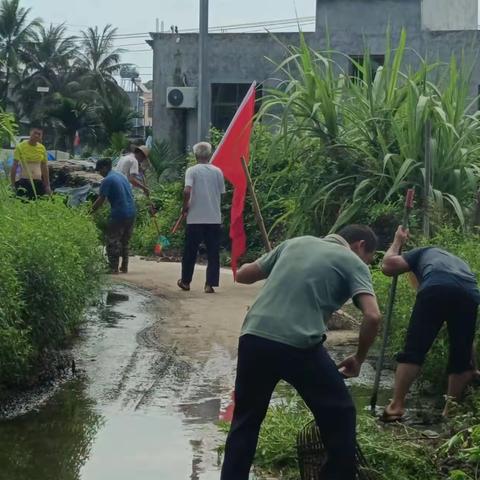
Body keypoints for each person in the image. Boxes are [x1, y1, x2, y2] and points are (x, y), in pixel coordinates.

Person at [221, 225, 382, 480]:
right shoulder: (353, 261)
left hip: (253, 337)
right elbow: (373, 316)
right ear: (360, 245)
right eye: (368, 258)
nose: (366, 263)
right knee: (340, 413)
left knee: (246, 421)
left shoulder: (295, 242)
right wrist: (359, 358)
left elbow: (243, 275)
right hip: (298, 345)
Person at [381, 226, 480, 420]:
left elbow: (388, 266)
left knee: (414, 349)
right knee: (461, 355)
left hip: (436, 287)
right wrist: (473, 366)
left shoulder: (422, 252)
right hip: (470, 293)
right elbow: (467, 343)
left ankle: (396, 406)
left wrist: (397, 241)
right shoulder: (457, 263)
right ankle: (450, 412)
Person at [177, 142, 225, 294]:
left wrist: (185, 206)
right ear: (209, 155)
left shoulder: (192, 171)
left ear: (196, 155)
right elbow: (222, 193)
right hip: (213, 217)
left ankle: (185, 281)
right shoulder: (218, 171)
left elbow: (186, 191)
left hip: (195, 218)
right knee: (213, 252)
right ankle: (209, 284)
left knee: (190, 250)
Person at [91, 158, 136, 274]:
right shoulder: (121, 176)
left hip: (119, 213)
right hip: (131, 212)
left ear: (105, 167)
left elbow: (101, 199)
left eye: (100, 170)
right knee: (125, 240)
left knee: (113, 240)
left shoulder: (108, 180)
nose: (100, 173)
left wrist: (90, 211)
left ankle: (113, 267)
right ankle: (124, 266)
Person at [10, 125, 52, 199]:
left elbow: (44, 167)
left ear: (41, 136)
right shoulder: (20, 146)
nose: (36, 136)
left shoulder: (42, 148)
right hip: (24, 181)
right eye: (35, 133)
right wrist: (13, 184)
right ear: (30, 133)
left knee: (39, 204)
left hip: (38, 182)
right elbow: (14, 166)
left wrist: (47, 185)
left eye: (39, 134)